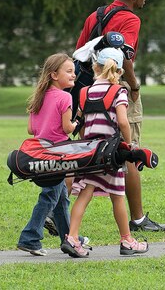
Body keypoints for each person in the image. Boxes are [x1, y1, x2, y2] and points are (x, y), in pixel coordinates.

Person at [72, 0, 165, 232]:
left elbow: (80, 51)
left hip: (91, 89)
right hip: (118, 87)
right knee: (130, 149)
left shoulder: (96, 15)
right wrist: (134, 86)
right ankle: (138, 219)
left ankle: (56, 208)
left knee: (85, 150)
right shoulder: (130, 19)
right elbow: (125, 57)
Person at [63, 48, 149, 257]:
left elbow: (82, 123)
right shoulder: (118, 92)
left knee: (84, 194)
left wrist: (86, 143)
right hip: (111, 153)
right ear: (119, 71)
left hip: (91, 151)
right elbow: (122, 122)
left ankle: (72, 238)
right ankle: (127, 241)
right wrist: (128, 146)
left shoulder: (85, 92)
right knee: (118, 196)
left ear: (95, 67)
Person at [17, 53, 85, 256]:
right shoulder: (65, 97)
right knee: (49, 197)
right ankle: (29, 237)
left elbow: (31, 129)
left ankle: (69, 237)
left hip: (40, 151)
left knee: (61, 197)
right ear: (54, 74)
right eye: (69, 71)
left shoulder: (39, 96)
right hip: (58, 154)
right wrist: (78, 120)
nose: (74, 75)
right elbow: (66, 129)